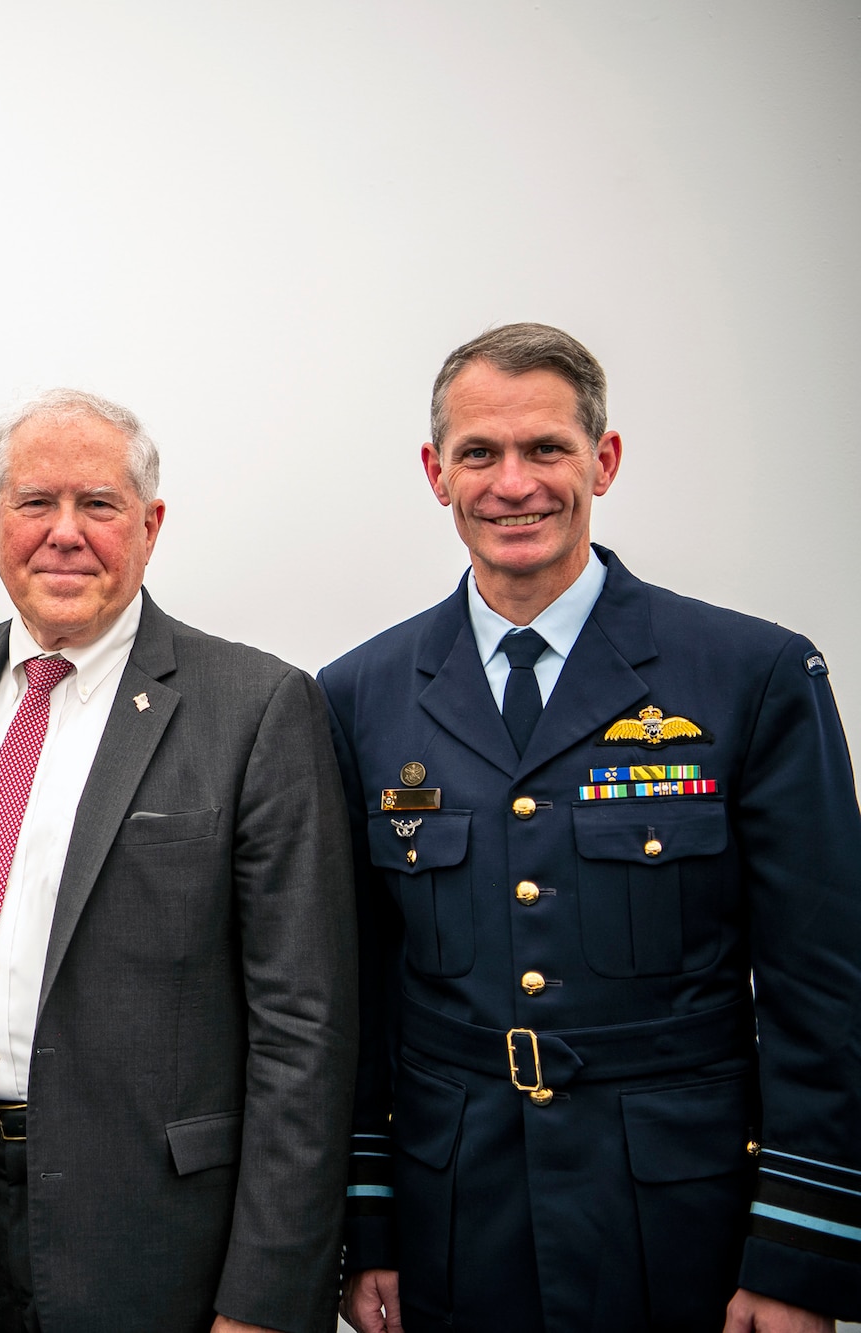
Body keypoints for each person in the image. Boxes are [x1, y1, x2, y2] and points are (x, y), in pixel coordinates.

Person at [322, 323, 861, 1333]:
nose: (511, 483)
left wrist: (799, 1250)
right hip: (453, 1216)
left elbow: (822, 988)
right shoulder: (357, 695)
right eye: (478, 453)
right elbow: (351, 992)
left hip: (676, 1215)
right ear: (436, 473)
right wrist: (369, 1221)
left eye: (546, 449)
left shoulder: (748, 677)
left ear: (601, 462)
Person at [0, 389, 358, 1333]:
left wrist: (267, 1298)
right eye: (37, 504)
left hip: (163, 1239)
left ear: (152, 524)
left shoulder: (256, 708)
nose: (65, 534)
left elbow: (305, 1031)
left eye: (101, 505)